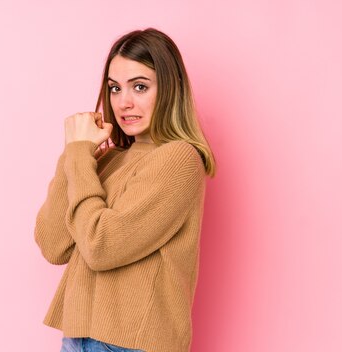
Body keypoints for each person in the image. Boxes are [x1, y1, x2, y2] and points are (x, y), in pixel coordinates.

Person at [34, 28, 216, 352]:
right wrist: (75, 151)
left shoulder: (179, 159)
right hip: (77, 340)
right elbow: (52, 244)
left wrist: (79, 155)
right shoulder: (108, 159)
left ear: (170, 89)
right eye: (115, 88)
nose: (123, 102)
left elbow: (101, 246)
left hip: (133, 345)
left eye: (140, 87)